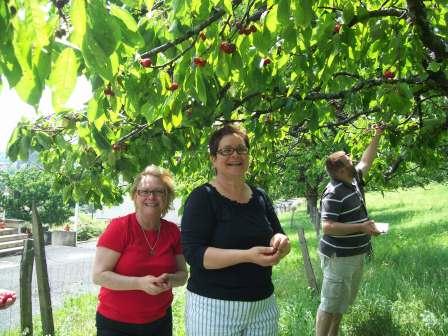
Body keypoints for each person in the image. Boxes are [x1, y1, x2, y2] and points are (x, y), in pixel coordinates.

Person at [181, 124, 291, 336]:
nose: (235, 155)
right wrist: (248, 256)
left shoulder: (259, 196)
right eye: (227, 150)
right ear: (213, 159)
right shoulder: (202, 198)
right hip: (214, 309)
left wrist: (281, 243)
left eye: (241, 149)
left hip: (262, 306)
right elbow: (194, 254)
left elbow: (278, 233)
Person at [92, 165, 188, 336]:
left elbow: (183, 275)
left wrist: (170, 280)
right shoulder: (119, 228)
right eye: (144, 191)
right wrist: (139, 283)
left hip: (160, 321)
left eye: (159, 191)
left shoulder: (173, 232)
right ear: (135, 196)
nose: (151, 196)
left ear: (166, 197)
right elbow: (99, 275)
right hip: (116, 325)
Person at [315, 124, 385, 336]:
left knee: (340, 305)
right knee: (329, 306)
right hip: (339, 258)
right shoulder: (333, 192)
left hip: (355, 255)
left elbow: (366, 160)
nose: (353, 162)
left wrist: (377, 135)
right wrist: (362, 227)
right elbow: (327, 227)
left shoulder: (353, 179)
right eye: (348, 161)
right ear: (339, 170)